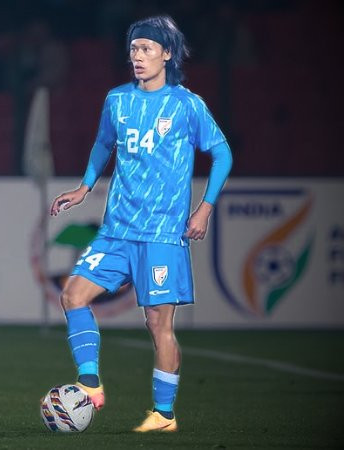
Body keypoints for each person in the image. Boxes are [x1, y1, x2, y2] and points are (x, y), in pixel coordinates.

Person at [49, 15, 232, 433]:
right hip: (117, 230)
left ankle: (163, 415)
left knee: (157, 324)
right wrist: (84, 187)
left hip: (162, 235)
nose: (138, 56)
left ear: (167, 54)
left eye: (147, 49)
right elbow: (103, 143)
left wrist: (205, 208)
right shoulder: (117, 100)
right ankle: (90, 383)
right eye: (134, 48)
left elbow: (222, 153)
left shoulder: (186, 105)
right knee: (73, 295)